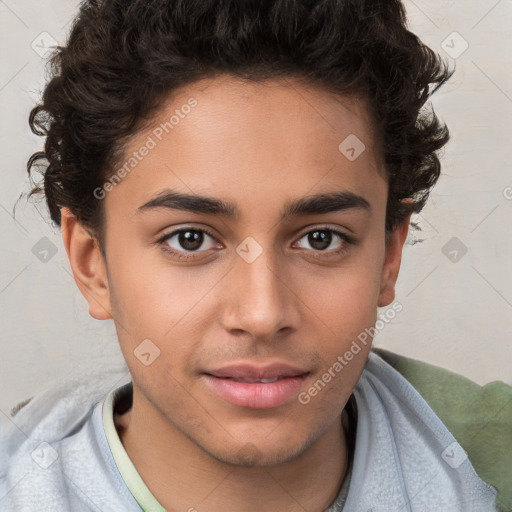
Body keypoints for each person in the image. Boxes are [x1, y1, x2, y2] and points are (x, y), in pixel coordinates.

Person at [1, 0, 511, 511]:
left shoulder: (494, 464)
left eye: (320, 239)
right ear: (92, 264)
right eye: (190, 239)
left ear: (387, 255)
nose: (262, 314)